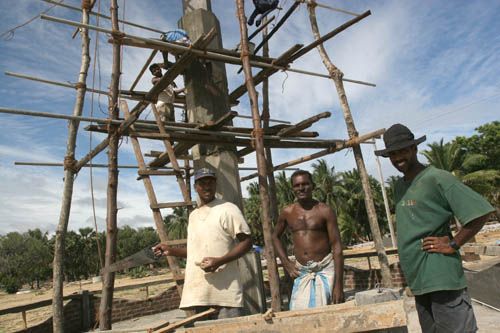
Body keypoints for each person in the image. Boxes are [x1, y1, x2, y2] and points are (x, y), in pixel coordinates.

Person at [375, 123, 495, 333]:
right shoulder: (400, 186)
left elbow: (480, 211)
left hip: (441, 276)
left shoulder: (437, 177)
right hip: (419, 280)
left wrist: (453, 243)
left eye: (403, 150)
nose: (397, 158)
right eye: (392, 154)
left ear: (414, 149)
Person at [154, 168, 252, 319]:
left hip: (225, 296)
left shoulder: (228, 209)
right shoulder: (194, 216)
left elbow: (247, 243)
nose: (207, 186)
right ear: (195, 187)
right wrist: (171, 251)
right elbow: (195, 252)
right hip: (199, 295)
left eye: (210, 182)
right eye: (202, 183)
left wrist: (220, 261)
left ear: (215, 185)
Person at [272, 170, 344, 310]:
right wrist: (286, 263)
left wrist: (338, 285)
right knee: (299, 313)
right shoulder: (288, 212)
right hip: (302, 272)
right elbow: (275, 236)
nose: (301, 188)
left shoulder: (324, 210)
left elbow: (337, 247)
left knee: (328, 314)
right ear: (292, 188)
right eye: (297, 185)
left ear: (313, 186)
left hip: (325, 269)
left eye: (305, 184)